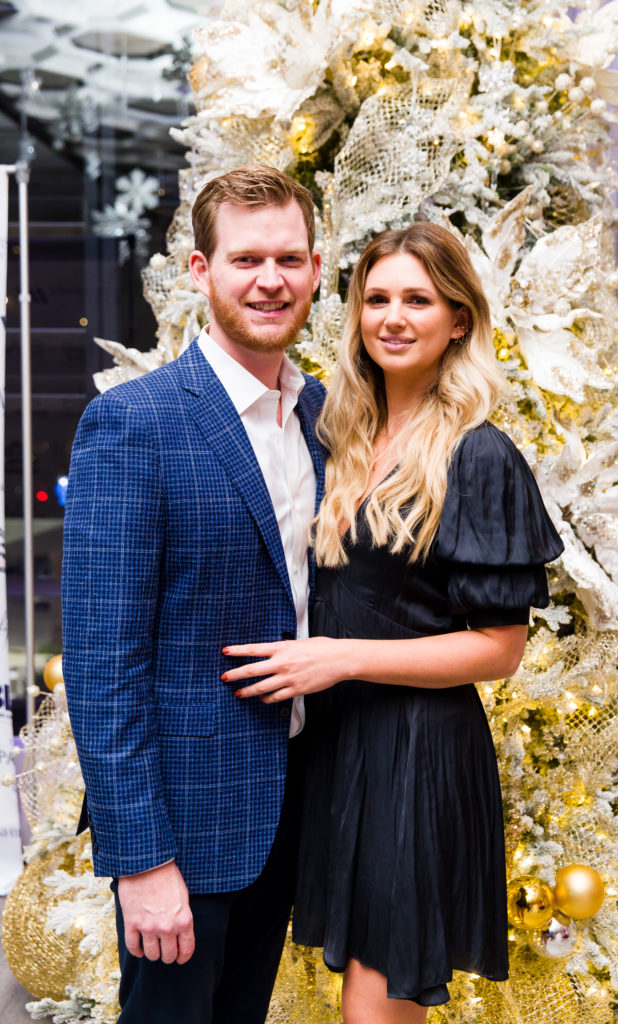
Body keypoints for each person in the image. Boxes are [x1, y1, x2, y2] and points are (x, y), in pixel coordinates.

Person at [221, 222, 565, 1024]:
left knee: (373, 1008)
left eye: (418, 300)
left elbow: (499, 650)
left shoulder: (478, 455)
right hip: (340, 747)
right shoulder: (338, 435)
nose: (393, 318)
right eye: (376, 299)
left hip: (417, 753)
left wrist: (340, 658)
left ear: (458, 320)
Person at [61, 165, 326, 1024]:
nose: (270, 280)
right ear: (201, 272)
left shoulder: (323, 416)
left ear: (316, 270)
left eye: (288, 258)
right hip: (180, 831)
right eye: (246, 259)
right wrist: (140, 862)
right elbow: (102, 662)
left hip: (288, 811)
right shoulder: (134, 423)